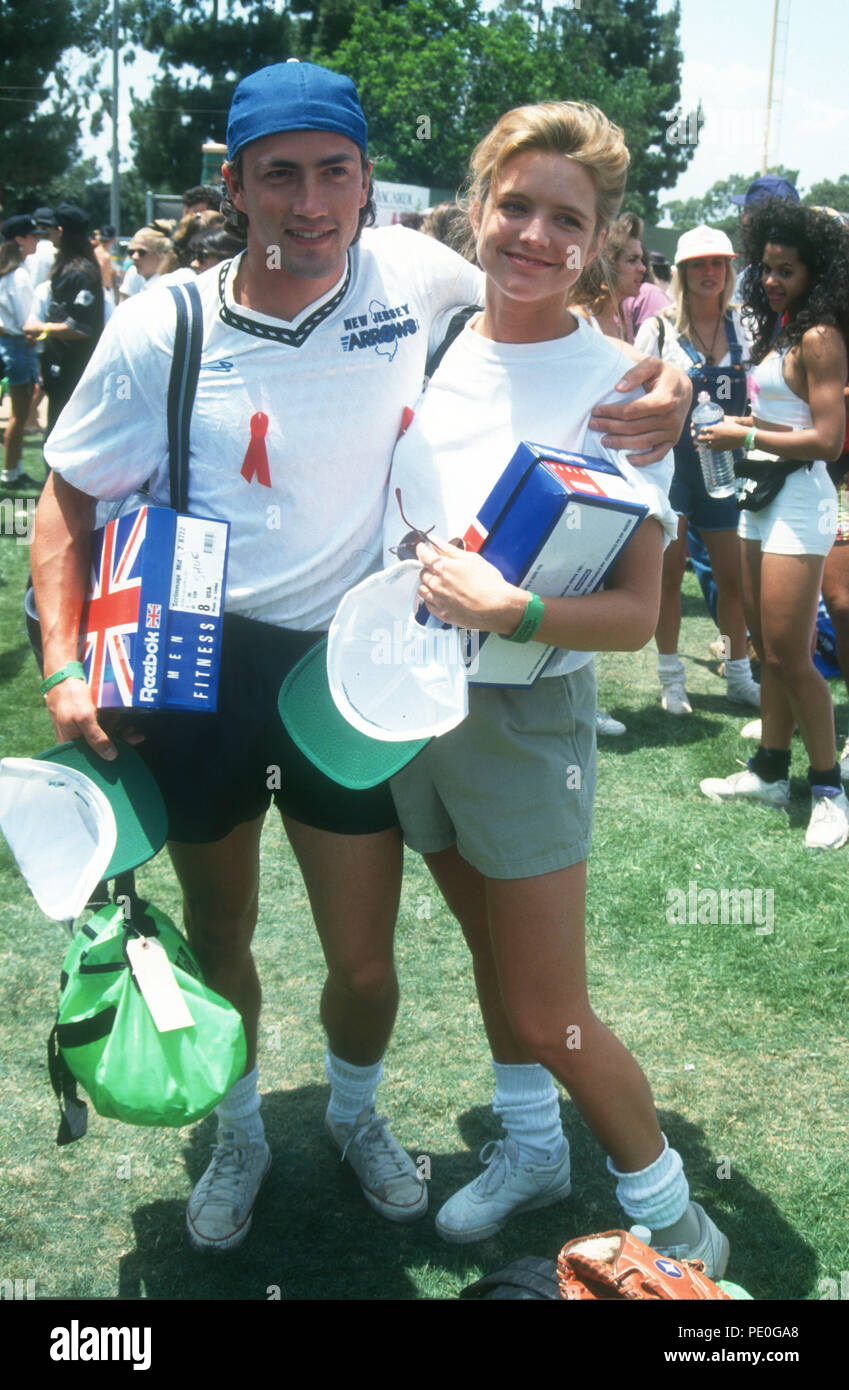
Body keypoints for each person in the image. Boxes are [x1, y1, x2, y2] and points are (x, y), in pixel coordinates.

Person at [31, 60, 692, 1255]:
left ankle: (354, 1111)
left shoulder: (414, 274)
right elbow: (66, 498)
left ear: (369, 180)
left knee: (369, 960)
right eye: (277, 174)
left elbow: (559, 327)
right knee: (221, 932)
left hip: (356, 671)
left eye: (334, 170)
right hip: (207, 672)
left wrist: (675, 376)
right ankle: (241, 1128)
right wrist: (66, 663)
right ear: (232, 183)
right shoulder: (158, 319)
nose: (309, 200)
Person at [383, 100, 729, 1275]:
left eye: (566, 219)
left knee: (552, 1009)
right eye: (515, 204)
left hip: (529, 713)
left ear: (601, 239)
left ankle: (679, 1219)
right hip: (411, 700)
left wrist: (512, 609)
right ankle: (530, 1146)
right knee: (491, 957)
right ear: (477, 207)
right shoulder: (421, 337)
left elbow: (639, 612)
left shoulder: (622, 383)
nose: (534, 234)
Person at [698, 198, 849, 849]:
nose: (769, 281)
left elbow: (826, 440)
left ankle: (827, 787)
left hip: (800, 500)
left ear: (815, 271)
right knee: (765, 647)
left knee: (791, 653)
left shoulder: (819, 339)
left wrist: (743, 429)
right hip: (761, 497)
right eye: (764, 269)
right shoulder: (782, 329)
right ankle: (767, 770)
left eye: (784, 270)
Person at [635, 226, 760, 713]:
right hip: (672, 469)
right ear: (682, 273)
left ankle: (737, 672)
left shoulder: (744, 326)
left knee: (733, 581)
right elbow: (637, 395)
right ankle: (672, 678)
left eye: (719, 264)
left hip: (727, 469)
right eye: (700, 264)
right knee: (668, 578)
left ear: (729, 271)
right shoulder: (660, 329)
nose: (711, 272)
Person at [23, 203, 104, 435]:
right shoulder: (66, 268)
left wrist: (41, 328)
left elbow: (81, 327)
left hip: (74, 364)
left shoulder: (81, 273)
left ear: (60, 230)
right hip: (58, 362)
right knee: (55, 428)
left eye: (50, 230)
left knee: (65, 433)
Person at [0, 215, 40, 490]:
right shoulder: (21, 275)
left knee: (19, 410)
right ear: (19, 239)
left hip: (8, 343)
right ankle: (10, 471)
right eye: (32, 235)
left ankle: (16, 468)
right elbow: (29, 321)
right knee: (20, 412)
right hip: (18, 344)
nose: (37, 240)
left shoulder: (6, 271)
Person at [570, 210, 646, 341]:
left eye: (641, 260)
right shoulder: (579, 319)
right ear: (607, 265)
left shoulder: (619, 326)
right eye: (632, 260)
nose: (643, 268)